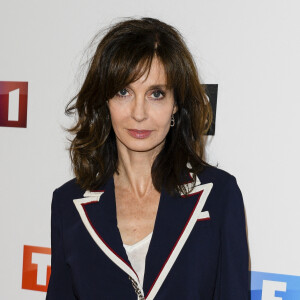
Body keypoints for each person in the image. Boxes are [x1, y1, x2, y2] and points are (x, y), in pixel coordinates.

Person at [46, 17, 249, 299]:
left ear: (176, 103)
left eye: (156, 94)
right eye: (123, 92)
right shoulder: (69, 204)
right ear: (104, 100)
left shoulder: (220, 196)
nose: (139, 113)